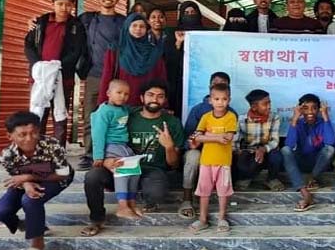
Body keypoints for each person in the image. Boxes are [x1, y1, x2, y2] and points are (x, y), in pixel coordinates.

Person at [80, 80, 185, 237]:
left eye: (160, 96)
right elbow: (100, 130)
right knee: (92, 177)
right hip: (118, 163)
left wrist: (169, 146)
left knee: (156, 193)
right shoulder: (127, 114)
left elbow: (174, 164)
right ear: (141, 98)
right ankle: (97, 219)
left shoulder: (172, 122)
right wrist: (105, 160)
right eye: (150, 95)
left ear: (165, 100)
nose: (155, 99)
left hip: (151, 170)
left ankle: (133, 202)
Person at [0, 111, 73, 250]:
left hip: (56, 178)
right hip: (24, 180)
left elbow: (63, 174)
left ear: (39, 131)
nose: (29, 138)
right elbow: (16, 176)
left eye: (34, 133)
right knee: (1, 212)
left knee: (30, 199)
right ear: (10, 136)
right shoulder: (7, 155)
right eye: (22, 134)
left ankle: (38, 245)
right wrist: (26, 183)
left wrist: (28, 177)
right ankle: (28, 224)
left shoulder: (52, 145)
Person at [24, 0, 88, 146]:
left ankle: (58, 151)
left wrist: (57, 66)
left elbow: (77, 51)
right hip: (40, 78)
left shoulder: (76, 26)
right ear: (53, 4)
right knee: (39, 115)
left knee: (60, 117)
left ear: (72, 6)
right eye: (60, 4)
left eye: (68, 5)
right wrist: (38, 64)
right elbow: (28, 45)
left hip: (63, 78)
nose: (64, 8)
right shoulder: (40, 22)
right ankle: (37, 150)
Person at [77, 0, 126, 171]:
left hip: (117, 76)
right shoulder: (87, 19)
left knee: (118, 116)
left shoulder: (123, 21)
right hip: (94, 74)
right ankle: (89, 154)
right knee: (91, 115)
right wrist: (36, 22)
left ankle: (114, 152)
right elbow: (65, 25)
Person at [180, 72, 236, 219]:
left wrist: (205, 137)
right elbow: (192, 137)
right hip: (201, 153)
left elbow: (227, 139)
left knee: (223, 187)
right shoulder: (199, 111)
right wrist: (215, 137)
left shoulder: (231, 114)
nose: (220, 102)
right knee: (193, 158)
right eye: (215, 84)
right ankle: (187, 200)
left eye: (223, 84)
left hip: (222, 157)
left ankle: (221, 217)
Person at [90, 79, 142, 219]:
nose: (122, 96)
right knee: (122, 171)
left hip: (123, 146)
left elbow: (135, 109)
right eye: (119, 92)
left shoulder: (123, 109)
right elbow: (98, 135)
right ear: (108, 93)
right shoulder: (103, 112)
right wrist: (98, 156)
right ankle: (122, 206)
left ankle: (131, 203)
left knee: (135, 171)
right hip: (111, 146)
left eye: (126, 94)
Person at [98, 13, 166, 106]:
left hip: (147, 105)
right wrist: (103, 103)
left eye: (142, 26)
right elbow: (107, 76)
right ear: (127, 27)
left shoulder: (154, 51)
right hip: (120, 104)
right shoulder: (116, 49)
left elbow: (161, 79)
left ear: (146, 29)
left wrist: (163, 105)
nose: (138, 29)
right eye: (134, 25)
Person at [281, 94, 335, 212]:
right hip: (301, 162)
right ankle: (304, 191)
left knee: (330, 149)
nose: (310, 112)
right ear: (301, 110)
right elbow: (289, 144)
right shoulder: (298, 123)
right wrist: (295, 118)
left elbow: (330, 142)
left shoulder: (322, 123)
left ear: (318, 109)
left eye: (314, 108)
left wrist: (325, 116)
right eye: (306, 108)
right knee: (285, 150)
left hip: (317, 164)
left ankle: (312, 178)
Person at [234, 89, 284, 191]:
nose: (269, 106)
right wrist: (239, 152)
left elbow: (274, 141)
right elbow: (235, 141)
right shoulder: (242, 119)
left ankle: (272, 179)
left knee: (276, 157)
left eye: (269, 103)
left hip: (268, 151)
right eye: (265, 104)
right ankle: (246, 177)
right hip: (251, 151)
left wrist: (263, 149)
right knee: (242, 161)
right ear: (254, 107)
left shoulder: (274, 117)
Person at [165, 0, 207, 117]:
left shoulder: (206, 33)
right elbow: (169, 58)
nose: (190, 15)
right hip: (178, 78)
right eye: (186, 13)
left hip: (200, 76)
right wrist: (179, 42)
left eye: (193, 12)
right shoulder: (173, 33)